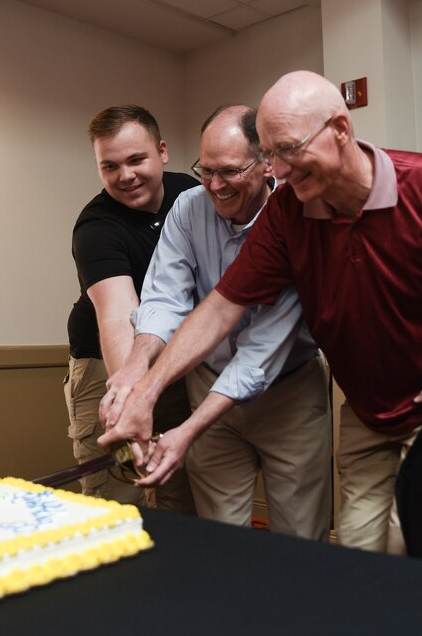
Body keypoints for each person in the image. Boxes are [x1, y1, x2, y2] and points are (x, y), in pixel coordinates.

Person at [101, 71, 422, 552]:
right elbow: (221, 307)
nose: (281, 171)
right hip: (367, 411)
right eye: (272, 156)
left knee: (409, 545)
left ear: (341, 130)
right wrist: (146, 391)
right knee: (353, 550)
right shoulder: (290, 211)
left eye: (288, 150)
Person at [98, 105, 331, 541]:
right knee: (220, 538)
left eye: (228, 172)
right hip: (206, 383)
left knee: (300, 542)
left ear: (266, 164)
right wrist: (135, 367)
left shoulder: (296, 219)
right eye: (205, 171)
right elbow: (165, 299)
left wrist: (186, 430)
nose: (214, 186)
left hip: (289, 394)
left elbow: (260, 354)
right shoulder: (188, 208)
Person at [65, 104, 197, 514]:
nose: (125, 176)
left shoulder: (191, 196)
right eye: (110, 166)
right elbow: (119, 315)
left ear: (162, 151)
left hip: (174, 360)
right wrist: (128, 397)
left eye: (136, 159)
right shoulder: (96, 229)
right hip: (108, 368)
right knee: (119, 490)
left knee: (175, 486)